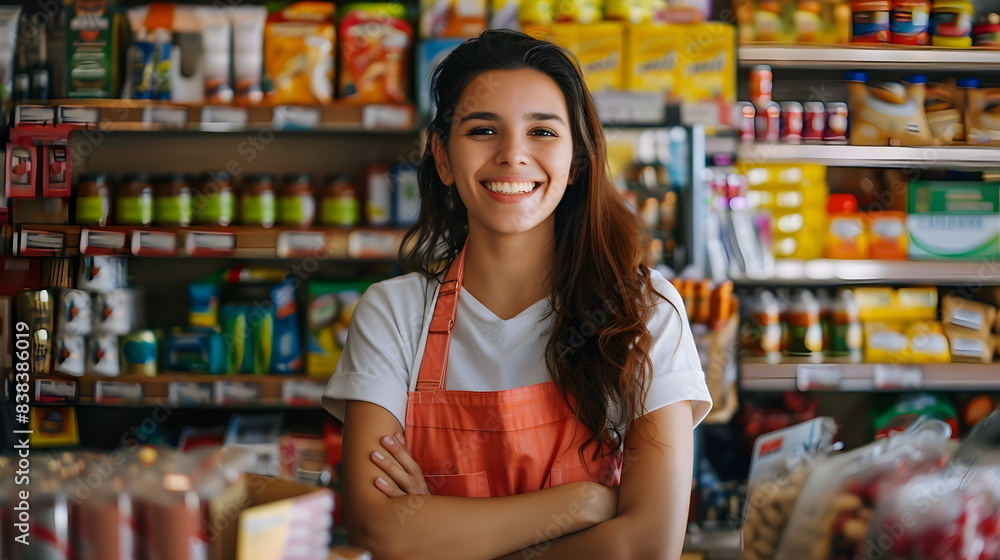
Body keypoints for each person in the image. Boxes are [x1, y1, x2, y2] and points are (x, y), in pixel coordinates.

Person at [321, 29, 712, 560]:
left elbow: (644, 546)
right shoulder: (393, 313)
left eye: (543, 132)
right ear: (441, 156)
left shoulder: (642, 312)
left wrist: (444, 535)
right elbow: (380, 533)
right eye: (483, 129)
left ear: (577, 161)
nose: (512, 155)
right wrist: (582, 504)